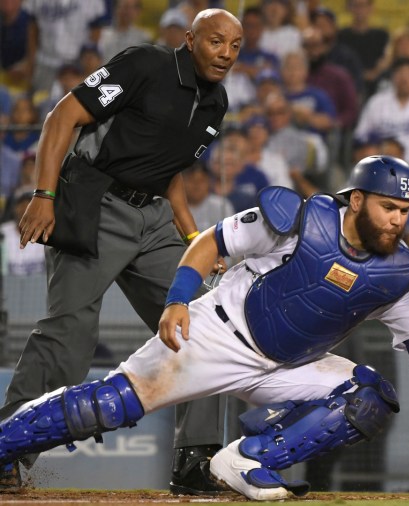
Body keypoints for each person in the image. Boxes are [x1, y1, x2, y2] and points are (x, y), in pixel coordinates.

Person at [0, 156, 409, 501]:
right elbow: (209, 242)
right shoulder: (303, 219)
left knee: (369, 397)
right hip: (216, 333)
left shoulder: (397, 273)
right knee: (104, 407)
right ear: (357, 200)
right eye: (388, 207)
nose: (398, 219)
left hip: (286, 367)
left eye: (404, 209)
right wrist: (178, 300)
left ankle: (247, 461)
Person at [1, 9, 242, 495]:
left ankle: (194, 462)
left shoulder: (216, 102)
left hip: (153, 219)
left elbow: (167, 169)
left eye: (236, 47)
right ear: (192, 39)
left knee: (201, 331)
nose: (226, 54)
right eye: (217, 42)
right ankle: (6, 448)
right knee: (69, 338)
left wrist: (194, 238)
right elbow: (63, 115)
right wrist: (43, 196)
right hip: (98, 203)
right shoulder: (143, 65)